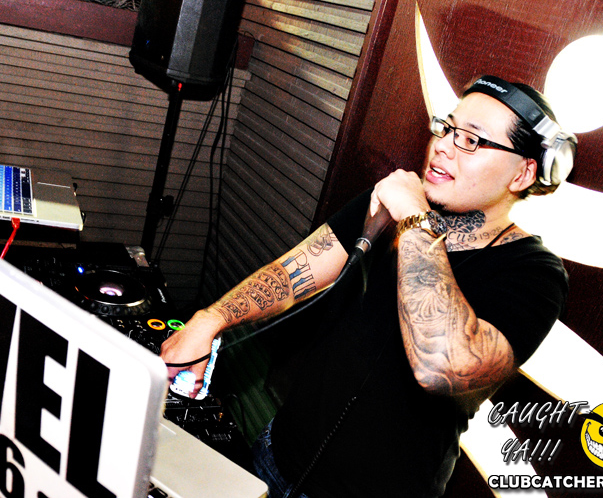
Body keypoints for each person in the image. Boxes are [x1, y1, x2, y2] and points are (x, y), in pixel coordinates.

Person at [161, 75, 572, 497]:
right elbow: (290, 275)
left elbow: (441, 365)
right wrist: (209, 320)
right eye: (446, 127)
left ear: (523, 173)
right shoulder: (388, 206)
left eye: (471, 140)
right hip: (277, 456)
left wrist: (415, 219)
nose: (444, 146)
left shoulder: (534, 273)